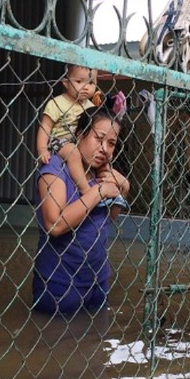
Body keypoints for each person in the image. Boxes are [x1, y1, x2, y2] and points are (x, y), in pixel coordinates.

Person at [32, 106, 130, 315]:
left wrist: (124, 189)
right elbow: (55, 225)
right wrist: (98, 192)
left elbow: (107, 219)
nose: (104, 149)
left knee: (95, 343)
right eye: (99, 138)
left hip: (98, 282)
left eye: (111, 143)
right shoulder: (55, 169)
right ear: (80, 135)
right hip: (59, 285)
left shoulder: (101, 174)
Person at [36, 64, 101, 197]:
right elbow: (45, 126)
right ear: (66, 83)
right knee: (72, 151)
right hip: (59, 142)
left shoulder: (91, 106)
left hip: (81, 142)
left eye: (91, 83)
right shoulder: (57, 103)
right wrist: (42, 149)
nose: (86, 87)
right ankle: (86, 190)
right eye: (79, 81)